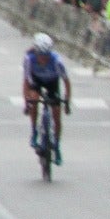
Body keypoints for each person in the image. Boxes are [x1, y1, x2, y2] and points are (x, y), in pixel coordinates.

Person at [22, 33, 72, 165]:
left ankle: (56, 146)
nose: (43, 59)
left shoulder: (56, 61)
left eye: (46, 56)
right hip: (36, 82)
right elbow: (26, 82)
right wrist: (27, 102)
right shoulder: (29, 59)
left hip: (52, 83)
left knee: (56, 114)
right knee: (34, 99)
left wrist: (67, 102)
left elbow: (66, 82)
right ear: (36, 53)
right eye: (41, 56)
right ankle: (34, 132)